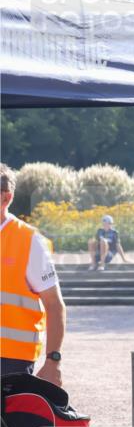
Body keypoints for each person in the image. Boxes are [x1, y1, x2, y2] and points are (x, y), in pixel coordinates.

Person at [0, 164, 65, 385]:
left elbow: (54, 305)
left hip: (10, 361)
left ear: (6, 198)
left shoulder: (28, 240)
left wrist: (53, 362)